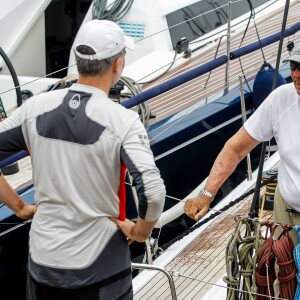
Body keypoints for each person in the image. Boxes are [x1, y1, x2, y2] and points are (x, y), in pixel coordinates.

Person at [0, 19, 166, 300]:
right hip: (100, 268)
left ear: (79, 62)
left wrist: (19, 207)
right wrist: (140, 231)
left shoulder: (35, 109)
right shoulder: (122, 121)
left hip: (43, 264)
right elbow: (152, 192)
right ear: (117, 65)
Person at [184, 45, 300, 245]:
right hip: (287, 211)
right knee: (283, 274)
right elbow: (235, 149)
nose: (296, 74)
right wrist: (207, 194)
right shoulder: (281, 98)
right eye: (294, 66)